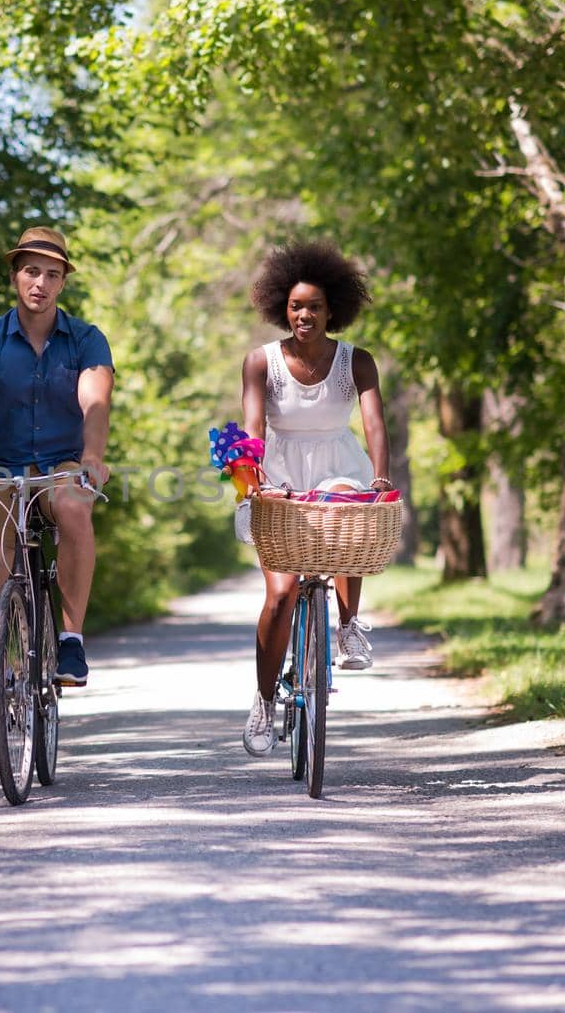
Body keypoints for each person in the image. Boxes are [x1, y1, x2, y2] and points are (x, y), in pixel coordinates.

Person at [0, 227, 115, 729]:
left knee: (74, 506)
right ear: (15, 275)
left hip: (62, 462)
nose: (40, 282)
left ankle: (71, 639)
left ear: (63, 283)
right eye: (31, 271)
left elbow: (94, 402)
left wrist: (92, 457)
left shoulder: (85, 339)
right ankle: (3, 674)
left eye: (52, 274)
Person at [239, 240, 392, 756]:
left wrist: (379, 477)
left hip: (339, 467)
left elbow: (374, 422)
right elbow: (252, 424)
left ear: (333, 310)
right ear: (282, 307)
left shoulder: (357, 361)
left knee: (349, 518)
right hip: (279, 471)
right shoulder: (261, 361)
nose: (304, 315)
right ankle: (262, 702)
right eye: (296, 306)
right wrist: (252, 475)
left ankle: (348, 626)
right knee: (280, 595)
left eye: (315, 306)